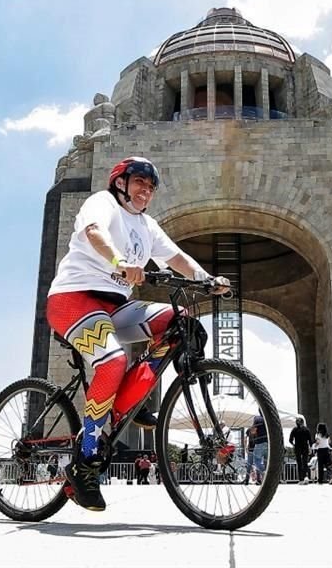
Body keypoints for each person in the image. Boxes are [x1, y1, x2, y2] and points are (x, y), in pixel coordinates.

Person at [45, 157, 230, 511]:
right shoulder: (102, 202)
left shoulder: (146, 225)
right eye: (139, 182)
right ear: (121, 183)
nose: (146, 190)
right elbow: (94, 233)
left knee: (183, 322)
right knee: (112, 360)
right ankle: (85, 463)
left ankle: (135, 397)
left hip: (115, 307)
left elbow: (176, 258)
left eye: (151, 186)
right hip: (74, 299)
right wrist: (119, 263)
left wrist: (206, 279)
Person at [289, 417, 313, 484]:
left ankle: (301, 479)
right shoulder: (306, 429)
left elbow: (290, 440)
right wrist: (311, 448)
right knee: (305, 462)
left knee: (299, 463)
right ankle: (306, 476)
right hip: (305, 447)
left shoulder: (294, 429)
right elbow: (310, 440)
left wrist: (294, 445)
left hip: (297, 448)